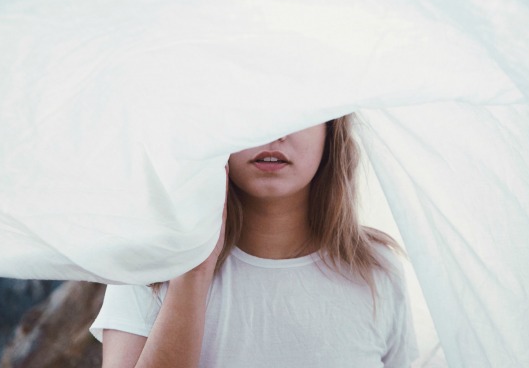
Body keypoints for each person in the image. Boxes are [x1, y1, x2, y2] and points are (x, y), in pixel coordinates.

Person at [90, 114, 417, 367]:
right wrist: (192, 275)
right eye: (255, 109)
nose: (275, 132)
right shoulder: (150, 265)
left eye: (299, 112)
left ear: (331, 129)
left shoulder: (377, 272)